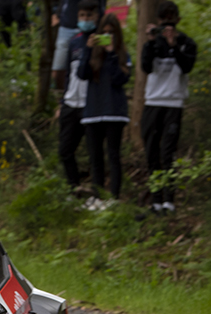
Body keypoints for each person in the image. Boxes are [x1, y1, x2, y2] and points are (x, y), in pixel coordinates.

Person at [140, 0, 196, 213]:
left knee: (168, 151)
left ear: (178, 20)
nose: (168, 25)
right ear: (158, 21)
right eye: (164, 20)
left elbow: (187, 66)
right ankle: (155, 199)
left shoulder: (186, 43)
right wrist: (152, 41)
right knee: (152, 151)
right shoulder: (153, 42)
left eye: (171, 20)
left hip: (173, 102)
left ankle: (169, 200)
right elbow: (146, 67)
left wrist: (173, 46)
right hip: (152, 101)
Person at [77, 12, 130, 203]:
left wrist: (112, 53)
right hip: (93, 112)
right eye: (104, 32)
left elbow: (120, 79)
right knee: (95, 157)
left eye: (111, 32)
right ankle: (97, 197)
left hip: (115, 112)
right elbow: (82, 74)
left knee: (113, 156)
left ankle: (113, 198)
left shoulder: (122, 55)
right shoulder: (93, 55)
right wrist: (88, 50)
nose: (108, 35)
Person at [57, 0, 98, 191]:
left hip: (90, 105)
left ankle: (98, 191)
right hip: (70, 103)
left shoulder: (101, 41)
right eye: (82, 16)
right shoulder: (74, 42)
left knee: (94, 150)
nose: (85, 19)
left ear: (96, 16)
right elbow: (67, 75)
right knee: (65, 150)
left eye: (89, 16)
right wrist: (62, 101)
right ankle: (75, 187)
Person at [51, 0, 103, 90]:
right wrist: (58, 14)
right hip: (67, 25)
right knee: (60, 66)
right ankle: (62, 93)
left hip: (91, 27)